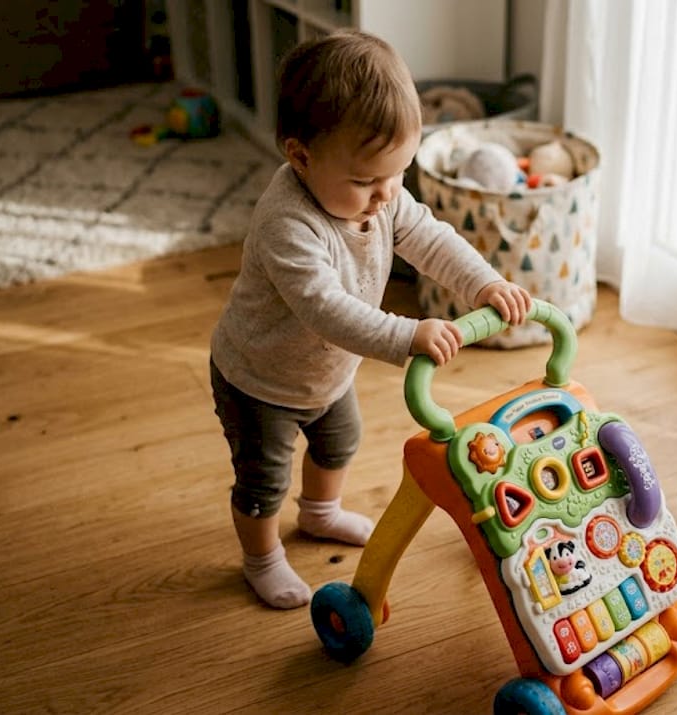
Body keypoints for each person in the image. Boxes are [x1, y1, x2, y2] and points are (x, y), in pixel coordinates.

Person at [209, 29, 533, 609]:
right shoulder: (288, 224)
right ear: (301, 157)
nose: (385, 195)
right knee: (264, 481)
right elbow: (326, 309)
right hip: (259, 380)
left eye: (398, 173)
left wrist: (483, 282)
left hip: (327, 374)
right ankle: (261, 558)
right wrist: (408, 334)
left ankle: (320, 512)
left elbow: (431, 240)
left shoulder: (384, 196)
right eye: (365, 181)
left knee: (339, 444)